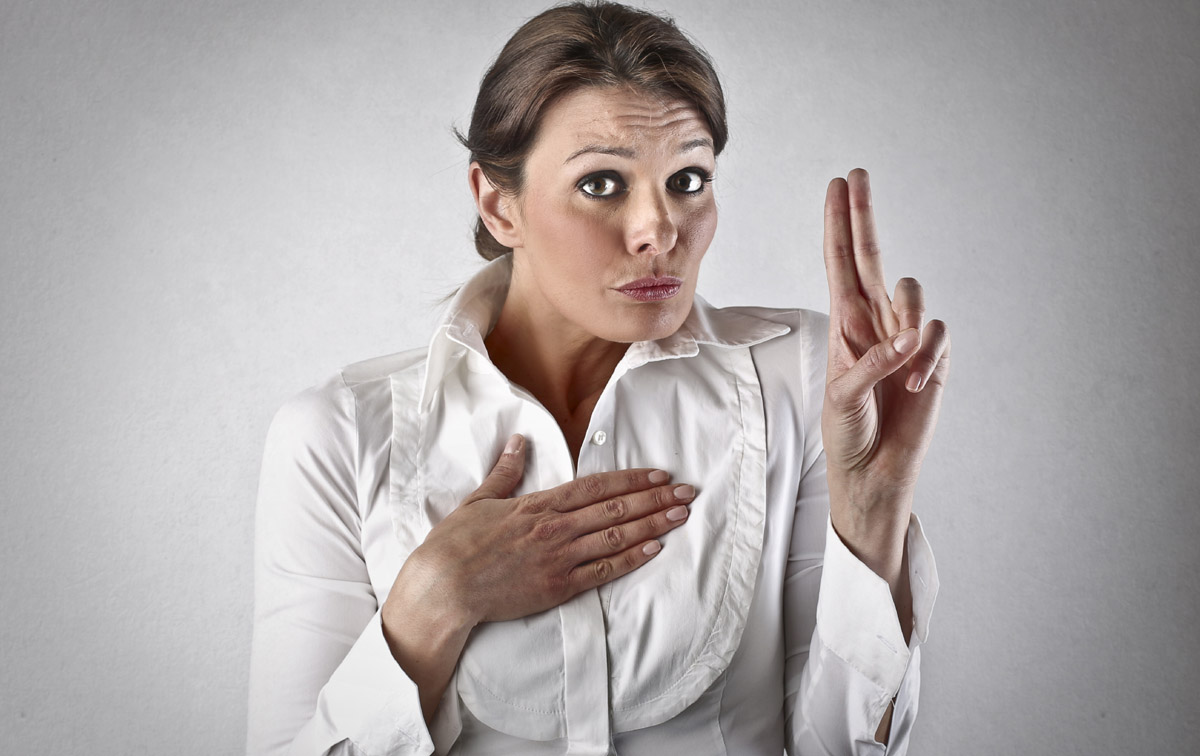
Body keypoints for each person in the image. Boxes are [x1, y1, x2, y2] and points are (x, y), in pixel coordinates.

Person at [246, 2, 951, 754]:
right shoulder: (339, 435)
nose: (660, 229)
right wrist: (432, 603)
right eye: (603, 185)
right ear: (498, 203)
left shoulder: (808, 383)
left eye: (687, 178)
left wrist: (874, 508)